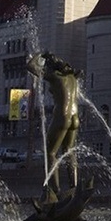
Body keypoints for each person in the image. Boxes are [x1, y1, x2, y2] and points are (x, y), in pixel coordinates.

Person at [27, 52, 81, 192]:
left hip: (62, 116)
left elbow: (31, 67)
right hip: (75, 117)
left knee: (50, 153)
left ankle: (55, 190)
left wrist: (40, 54)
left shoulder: (54, 76)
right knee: (69, 151)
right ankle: (74, 187)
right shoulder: (72, 78)